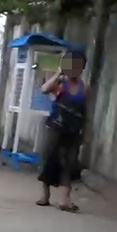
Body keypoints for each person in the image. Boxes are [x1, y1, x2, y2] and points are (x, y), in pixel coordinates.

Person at [37, 50, 88, 212]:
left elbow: (87, 112)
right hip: (55, 128)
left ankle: (65, 200)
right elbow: (44, 89)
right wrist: (59, 73)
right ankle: (45, 196)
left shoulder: (84, 88)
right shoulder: (60, 84)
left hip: (73, 131)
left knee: (69, 164)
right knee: (49, 160)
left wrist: (85, 133)